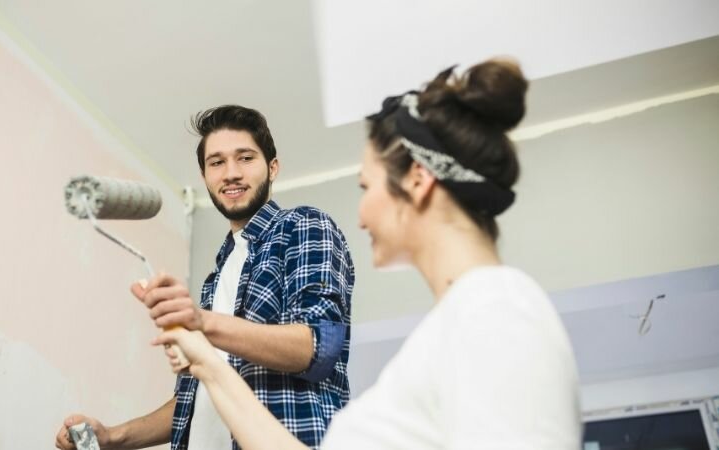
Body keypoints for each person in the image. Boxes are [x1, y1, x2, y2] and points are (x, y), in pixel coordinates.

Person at [151, 59, 582, 449]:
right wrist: (206, 360)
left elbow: (319, 346)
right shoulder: (444, 339)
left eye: (365, 187)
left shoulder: (499, 311)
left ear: (417, 180)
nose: (359, 215)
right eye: (216, 163)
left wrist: (206, 330)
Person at [55, 106, 355, 450]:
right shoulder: (216, 278)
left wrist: (202, 322)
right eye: (216, 162)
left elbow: (319, 347)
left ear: (273, 168)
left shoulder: (303, 226)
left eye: (245, 158)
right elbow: (197, 400)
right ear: (205, 176)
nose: (230, 173)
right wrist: (114, 437)